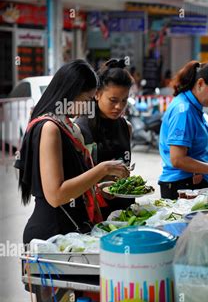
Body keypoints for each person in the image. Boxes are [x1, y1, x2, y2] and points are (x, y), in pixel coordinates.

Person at [15, 60, 129, 243]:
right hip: (51, 237)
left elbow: (70, 182)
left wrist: (95, 190)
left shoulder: (66, 125)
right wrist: (102, 169)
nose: (87, 107)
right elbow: (56, 195)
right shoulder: (50, 128)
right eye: (85, 100)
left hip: (70, 232)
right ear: (69, 92)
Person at [158, 60, 208, 199]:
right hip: (182, 185)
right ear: (200, 84)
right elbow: (178, 159)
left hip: (189, 183)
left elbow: (188, 138)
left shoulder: (192, 106)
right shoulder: (184, 111)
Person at [75, 58, 134, 219]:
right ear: (97, 94)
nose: (119, 107)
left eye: (124, 101)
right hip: (94, 211)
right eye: (113, 100)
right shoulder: (79, 129)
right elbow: (73, 180)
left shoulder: (126, 127)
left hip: (124, 208)